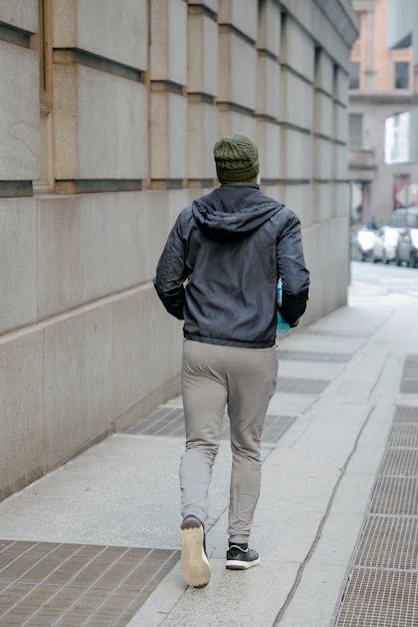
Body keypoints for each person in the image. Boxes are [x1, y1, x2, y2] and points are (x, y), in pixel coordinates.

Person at [153, 134, 310, 588]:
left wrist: (194, 315)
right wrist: (285, 318)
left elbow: (166, 281)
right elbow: (296, 284)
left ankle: (194, 521)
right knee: (247, 446)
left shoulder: (191, 217)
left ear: (219, 171)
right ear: (255, 170)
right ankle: (239, 547)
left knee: (199, 445)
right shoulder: (281, 219)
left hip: (202, 347)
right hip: (254, 351)